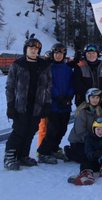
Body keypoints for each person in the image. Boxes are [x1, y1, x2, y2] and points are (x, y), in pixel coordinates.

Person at [4, 38, 52, 170]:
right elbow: (10, 86)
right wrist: (10, 105)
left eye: (36, 49)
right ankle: (9, 156)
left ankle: (22, 155)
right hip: (21, 105)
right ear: (26, 49)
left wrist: (47, 104)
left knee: (31, 131)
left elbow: (48, 86)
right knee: (19, 130)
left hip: (37, 105)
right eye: (31, 48)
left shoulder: (44, 65)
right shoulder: (18, 64)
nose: (33, 50)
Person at [37, 43, 73, 164]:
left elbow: (71, 84)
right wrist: (58, 97)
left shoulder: (68, 69)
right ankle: (43, 152)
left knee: (62, 129)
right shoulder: (49, 68)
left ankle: (53, 148)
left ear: (64, 55)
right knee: (52, 130)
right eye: (56, 53)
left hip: (66, 105)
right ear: (53, 54)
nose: (58, 56)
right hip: (53, 105)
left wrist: (68, 96)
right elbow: (48, 84)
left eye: (61, 53)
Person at [68, 117, 102, 185]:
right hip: (94, 161)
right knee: (85, 159)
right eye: (98, 129)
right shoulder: (89, 138)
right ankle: (87, 175)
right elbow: (88, 151)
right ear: (94, 129)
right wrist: (96, 154)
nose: (100, 131)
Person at [65, 88, 102, 164]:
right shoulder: (82, 111)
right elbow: (80, 131)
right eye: (93, 97)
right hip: (78, 141)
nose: (95, 100)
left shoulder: (99, 111)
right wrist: (91, 141)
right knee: (86, 158)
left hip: (90, 139)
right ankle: (68, 151)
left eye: (97, 98)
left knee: (96, 155)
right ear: (88, 98)